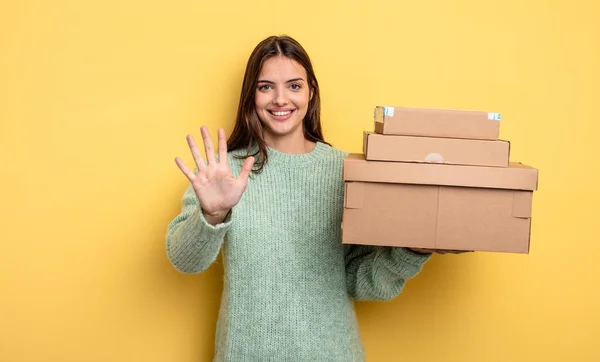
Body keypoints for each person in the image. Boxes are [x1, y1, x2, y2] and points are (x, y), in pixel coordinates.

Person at [166, 35, 449, 361]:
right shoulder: (223, 172)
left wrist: (413, 249)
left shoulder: (345, 172)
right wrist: (212, 214)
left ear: (311, 91)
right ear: (251, 96)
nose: (280, 99)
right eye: (265, 87)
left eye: (294, 86)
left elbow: (363, 282)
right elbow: (185, 261)